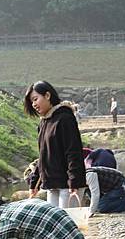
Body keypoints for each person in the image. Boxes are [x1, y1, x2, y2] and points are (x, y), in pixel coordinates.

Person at [24, 81, 86, 209]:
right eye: (32, 102)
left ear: (47, 95)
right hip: (52, 184)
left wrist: (74, 180)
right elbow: (42, 156)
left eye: (36, 99)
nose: (34, 104)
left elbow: (73, 151)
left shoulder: (65, 118)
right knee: (54, 225)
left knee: (68, 223)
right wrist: (34, 182)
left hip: (68, 184)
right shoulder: (43, 123)